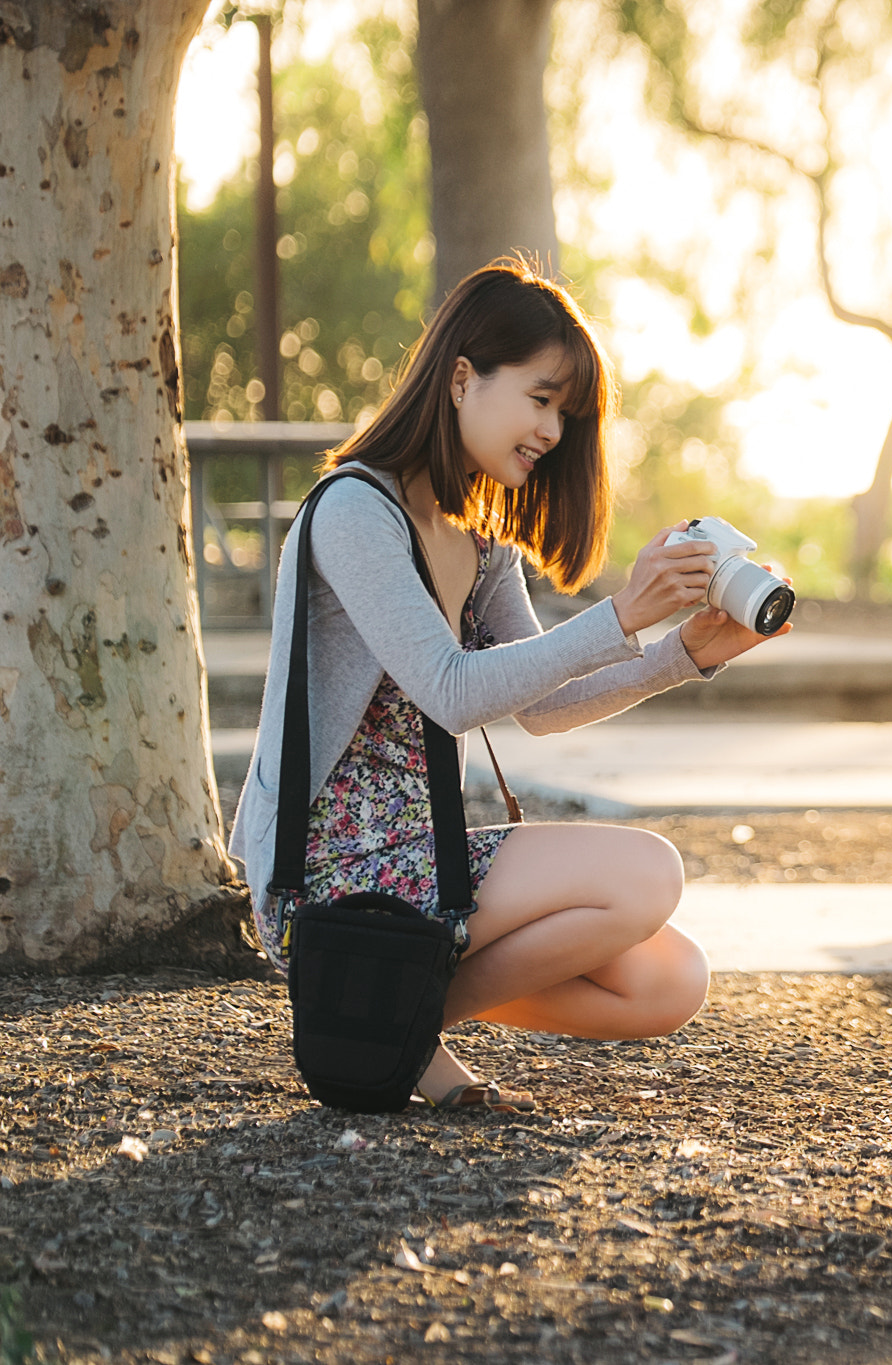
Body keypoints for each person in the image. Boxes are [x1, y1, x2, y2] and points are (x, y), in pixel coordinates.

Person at [227, 258, 784, 1110]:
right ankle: (382, 1018)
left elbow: (543, 708)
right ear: (461, 379)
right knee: (648, 874)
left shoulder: (481, 543)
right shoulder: (352, 511)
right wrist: (623, 614)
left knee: (670, 979)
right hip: (330, 875)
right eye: (541, 397)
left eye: (566, 412)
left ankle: (388, 1020)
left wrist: (686, 652)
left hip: (421, 863)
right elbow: (451, 691)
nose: (554, 431)